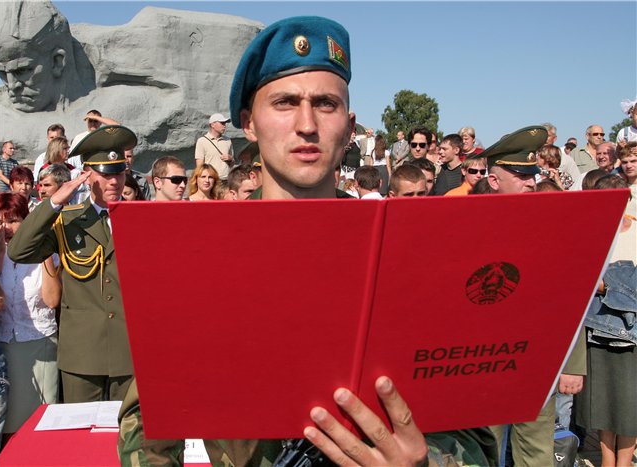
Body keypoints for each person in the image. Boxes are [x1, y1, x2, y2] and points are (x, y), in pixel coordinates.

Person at [118, 16, 499, 467]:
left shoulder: (405, 254)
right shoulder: (203, 254)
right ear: (250, 123)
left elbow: (474, 430)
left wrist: (426, 462)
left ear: (349, 125)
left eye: (325, 104)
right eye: (284, 102)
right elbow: (148, 423)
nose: (306, 124)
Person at [8, 125, 138, 403]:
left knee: (129, 428)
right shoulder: (67, 219)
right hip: (82, 352)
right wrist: (53, 203)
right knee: (80, 426)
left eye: (118, 172)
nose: (114, 182)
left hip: (130, 349)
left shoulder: (141, 221)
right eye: (105, 174)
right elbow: (19, 250)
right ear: (87, 175)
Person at [482, 126, 586, 467]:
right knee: (484, 450)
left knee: (537, 454)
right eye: (521, 176)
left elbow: (571, 297)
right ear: (494, 180)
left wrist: (572, 365)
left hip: (537, 359)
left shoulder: (553, 230)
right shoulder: (472, 228)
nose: (531, 182)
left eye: (532, 174)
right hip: (484, 362)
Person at [576, 174, 636, 467]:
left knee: (630, 402)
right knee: (601, 401)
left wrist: (608, 284)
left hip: (632, 332)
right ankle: (607, 460)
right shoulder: (590, 232)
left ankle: (623, 463)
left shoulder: (635, 232)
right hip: (596, 328)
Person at [0, 192, 61, 437]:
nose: (7, 228)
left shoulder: (46, 255)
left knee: (39, 422)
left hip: (40, 344)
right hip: (5, 347)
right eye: (1, 221)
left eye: (14, 221)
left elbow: (52, 300)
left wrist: (43, 251)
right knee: (8, 423)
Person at [194, 113, 234, 180]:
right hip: (211, 181)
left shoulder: (228, 140)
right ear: (212, 125)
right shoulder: (202, 141)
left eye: (225, 123)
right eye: (222, 123)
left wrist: (230, 159)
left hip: (226, 181)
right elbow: (200, 166)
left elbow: (232, 163)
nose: (224, 126)